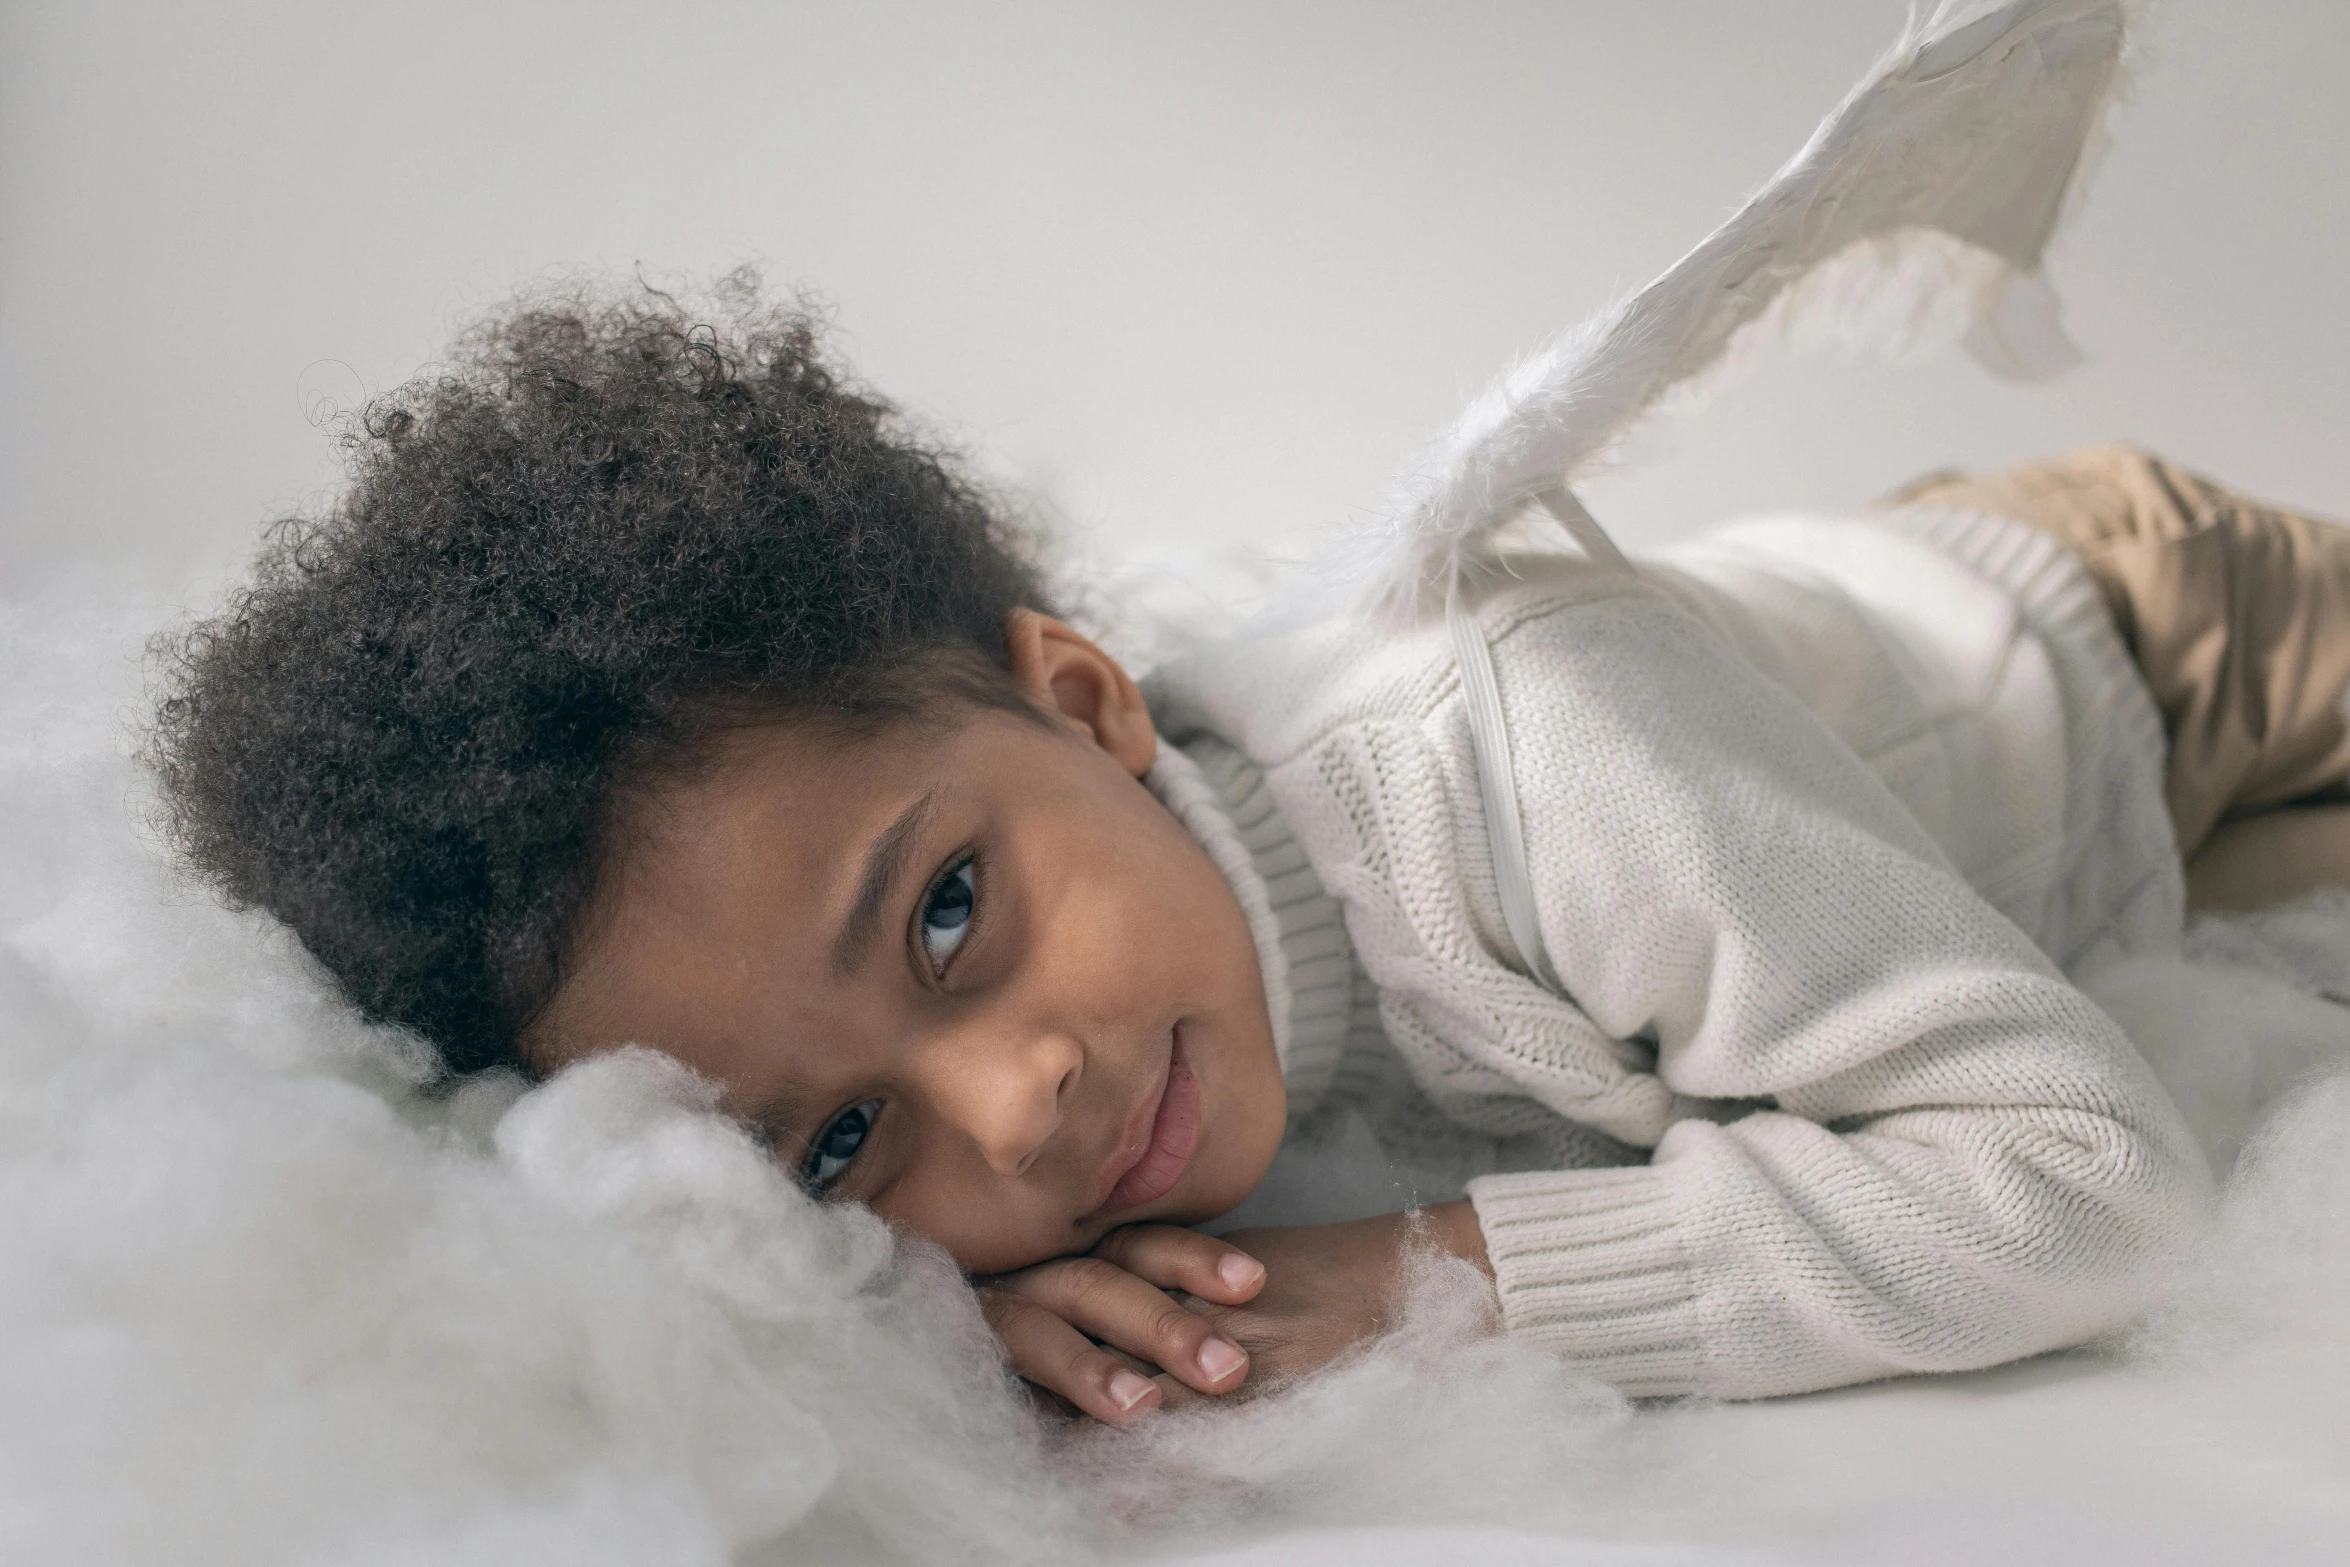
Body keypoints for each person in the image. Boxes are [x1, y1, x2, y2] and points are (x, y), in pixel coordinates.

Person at [150, 281, 2347, 1426]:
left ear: (1089, 703)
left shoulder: (1510, 746)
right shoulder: (1075, 999)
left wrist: (1415, 1284)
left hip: (2152, 658)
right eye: (835, 1146)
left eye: (943, 918)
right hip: (1837, 766)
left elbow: (2085, 1183)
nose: (1010, 1108)